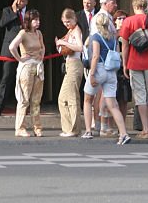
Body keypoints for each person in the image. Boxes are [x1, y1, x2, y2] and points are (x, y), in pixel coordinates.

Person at [82, 11, 130, 146]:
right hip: (111, 72)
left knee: (88, 99)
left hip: (99, 69)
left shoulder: (95, 37)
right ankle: (123, 133)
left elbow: (95, 56)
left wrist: (91, 74)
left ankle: (88, 131)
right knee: (113, 104)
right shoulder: (113, 38)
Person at [119, 0, 148, 139]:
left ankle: (144, 129)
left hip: (134, 62)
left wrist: (125, 64)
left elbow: (125, 45)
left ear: (134, 6)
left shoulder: (128, 21)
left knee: (140, 97)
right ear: (145, 7)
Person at [9, 8, 45, 138]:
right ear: (29, 21)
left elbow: (42, 47)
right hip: (27, 67)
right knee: (24, 99)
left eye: (38, 19)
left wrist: (41, 55)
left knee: (36, 100)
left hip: (38, 67)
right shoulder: (23, 33)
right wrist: (20, 58)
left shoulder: (39, 33)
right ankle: (20, 127)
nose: (37, 22)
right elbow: (12, 47)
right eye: (35, 20)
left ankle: (37, 127)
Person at [0, 0, 28, 116]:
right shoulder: (7, 11)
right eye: (17, 0)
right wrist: (14, 12)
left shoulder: (30, 13)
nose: (19, 3)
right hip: (10, 50)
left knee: (26, 79)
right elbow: (2, 23)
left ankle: (26, 107)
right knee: (6, 78)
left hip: (25, 49)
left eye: (22, 1)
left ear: (26, 2)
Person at [55, 8, 84, 137]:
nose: (67, 24)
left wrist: (63, 42)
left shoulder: (76, 30)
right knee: (62, 98)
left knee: (72, 97)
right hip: (69, 63)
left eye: (69, 21)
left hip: (75, 64)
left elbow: (80, 47)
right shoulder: (70, 31)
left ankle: (74, 129)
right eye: (65, 22)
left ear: (74, 19)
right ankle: (68, 127)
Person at [113, 9, 131, 121]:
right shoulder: (112, 33)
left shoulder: (130, 33)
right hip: (114, 67)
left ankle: (122, 124)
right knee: (112, 97)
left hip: (126, 67)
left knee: (124, 98)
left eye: (124, 18)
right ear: (115, 20)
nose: (122, 20)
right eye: (119, 18)